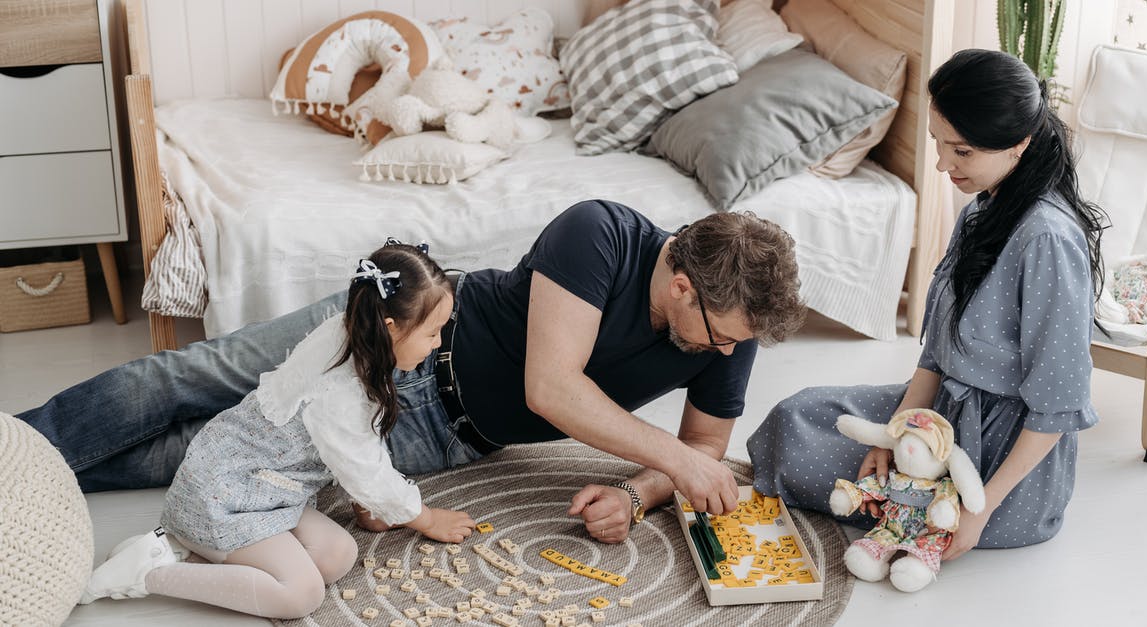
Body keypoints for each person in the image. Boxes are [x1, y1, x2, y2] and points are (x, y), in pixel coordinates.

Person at [20, 200, 806, 546]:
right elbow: (553, 388)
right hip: (399, 336)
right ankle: (14, 446)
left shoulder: (734, 328)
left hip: (445, 434)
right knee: (182, 380)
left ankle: (27, 485)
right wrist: (678, 459)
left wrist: (639, 491)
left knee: (184, 453)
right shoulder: (600, 235)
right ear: (681, 286)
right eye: (720, 336)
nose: (729, 354)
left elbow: (701, 447)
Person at [749, 49, 1108, 570]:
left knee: (832, 472)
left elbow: (1057, 406)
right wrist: (897, 433)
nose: (943, 165)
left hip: (1002, 461)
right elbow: (937, 354)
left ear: (1020, 144)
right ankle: (902, 482)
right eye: (940, 144)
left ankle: (925, 516)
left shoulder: (1048, 239)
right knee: (796, 417)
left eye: (961, 151)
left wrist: (980, 509)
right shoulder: (984, 207)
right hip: (939, 416)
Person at [76, 242, 476, 617]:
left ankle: (185, 550)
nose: (436, 344)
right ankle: (146, 575)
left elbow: (351, 451)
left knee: (336, 555)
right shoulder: (341, 393)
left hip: (266, 487)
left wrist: (364, 503)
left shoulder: (352, 333)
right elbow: (365, 466)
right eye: (431, 333)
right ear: (390, 327)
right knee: (302, 593)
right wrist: (425, 518)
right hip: (223, 496)